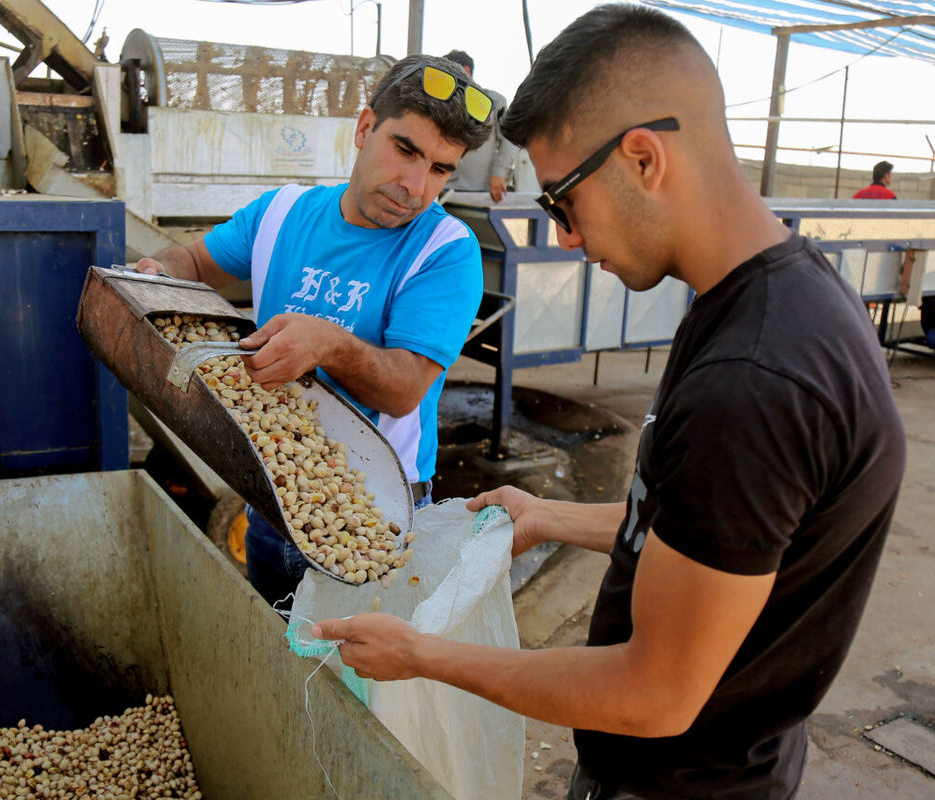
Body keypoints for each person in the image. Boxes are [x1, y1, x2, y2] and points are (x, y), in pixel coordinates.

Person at [314, 6, 906, 799]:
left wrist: (423, 656)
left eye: (561, 200)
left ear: (642, 158)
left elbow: (653, 694)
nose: (562, 237)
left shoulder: (755, 382)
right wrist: (549, 516)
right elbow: (718, 533)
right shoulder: (774, 297)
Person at [134, 54, 491, 610]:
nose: (416, 186)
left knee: (351, 688)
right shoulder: (282, 211)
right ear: (365, 127)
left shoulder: (445, 251)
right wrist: (158, 271)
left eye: (441, 169)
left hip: (370, 515)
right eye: (405, 150)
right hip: (272, 492)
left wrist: (328, 343)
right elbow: (195, 262)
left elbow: (403, 390)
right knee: (274, 663)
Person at [440, 49, 520, 203]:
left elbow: (508, 139)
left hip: (479, 190)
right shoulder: (441, 102)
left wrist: (499, 173)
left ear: (466, 70)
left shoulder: (494, 102)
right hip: (444, 189)